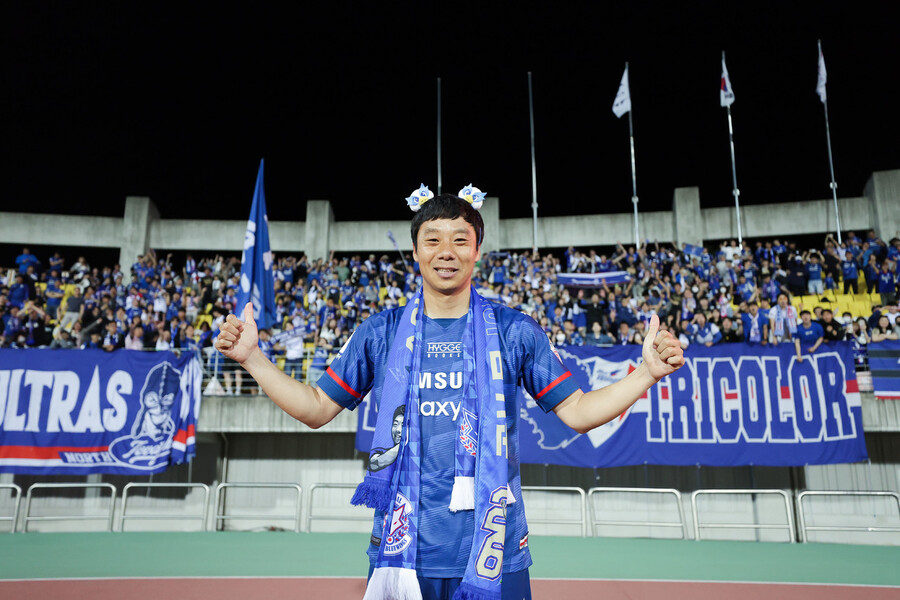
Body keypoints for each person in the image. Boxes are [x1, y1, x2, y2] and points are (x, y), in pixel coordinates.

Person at [215, 190, 684, 600]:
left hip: (492, 552)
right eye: (433, 240)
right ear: (416, 252)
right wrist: (254, 359)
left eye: (460, 239)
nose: (446, 251)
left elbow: (579, 412)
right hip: (402, 553)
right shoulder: (381, 332)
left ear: (477, 250)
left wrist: (645, 373)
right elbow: (316, 409)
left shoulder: (514, 330)